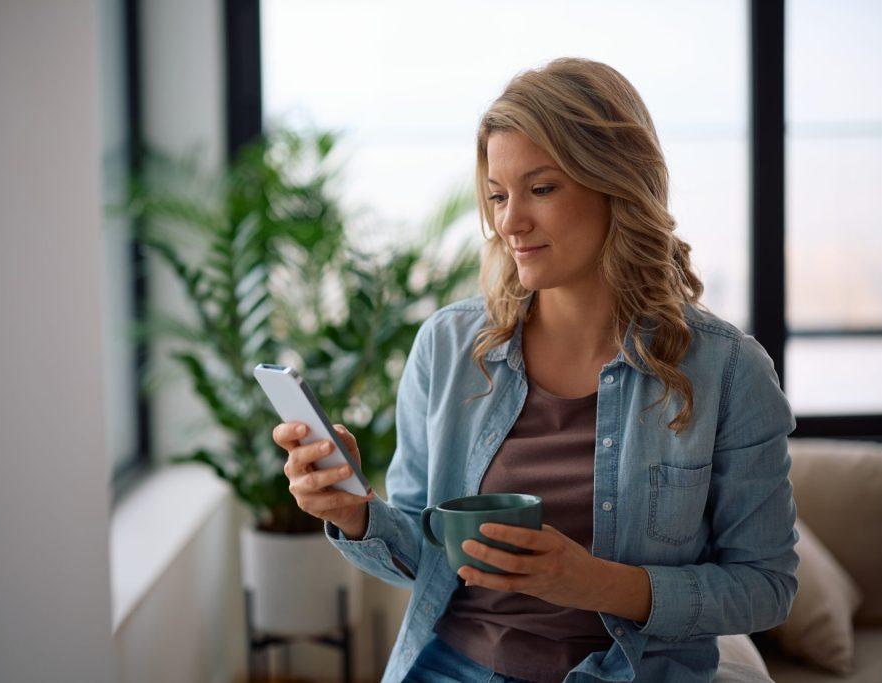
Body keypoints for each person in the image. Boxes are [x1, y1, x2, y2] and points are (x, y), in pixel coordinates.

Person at [273, 56, 797, 683]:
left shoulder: (726, 370)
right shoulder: (448, 347)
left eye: (541, 189)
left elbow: (765, 587)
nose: (508, 222)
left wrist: (598, 584)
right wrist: (353, 512)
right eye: (497, 195)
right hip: (450, 665)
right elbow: (422, 557)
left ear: (617, 186)